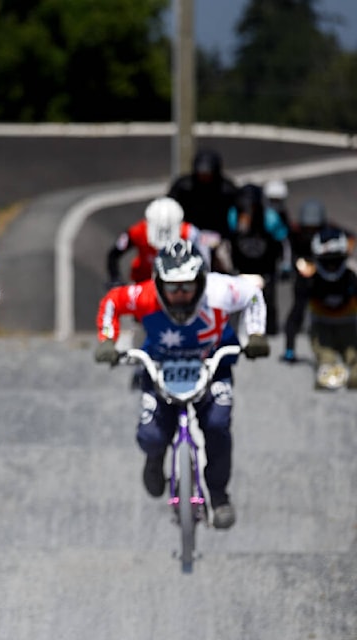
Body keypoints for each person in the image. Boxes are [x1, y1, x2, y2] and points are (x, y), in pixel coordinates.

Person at [93, 239, 270, 529]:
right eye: (172, 287)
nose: (179, 295)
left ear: (201, 281)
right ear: (158, 283)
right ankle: (155, 457)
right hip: (160, 368)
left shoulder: (219, 290)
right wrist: (107, 340)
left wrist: (256, 335)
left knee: (217, 425)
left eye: (187, 287)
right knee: (151, 435)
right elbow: (112, 301)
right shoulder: (145, 296)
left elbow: (252, 295)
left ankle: (219, 496)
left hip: (212, 367)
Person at [282, 227, 357, 388]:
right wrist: (290, 348)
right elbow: (297, 313)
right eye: (327, 262)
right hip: (322, 329)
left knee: (354, 358)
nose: (331, 267)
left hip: (350, 327)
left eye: (335, 261)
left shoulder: (351, 277)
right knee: (326, 364)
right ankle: (327, 367)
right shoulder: (309, 281)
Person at [223, 183, 291, 335]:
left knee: (267, 301)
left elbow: (283, 241)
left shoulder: (270, 218)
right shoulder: (234, 215)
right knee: (235, 301)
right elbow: (227, 242)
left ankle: (270, 332)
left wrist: (286, 263)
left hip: (265, 268)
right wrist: (228, 265)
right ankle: (231, 332)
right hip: (241, 268)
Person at [106, 196, 214, 288]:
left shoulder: (191, 234)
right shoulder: (137, 231)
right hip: (142, 284)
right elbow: (114, 253)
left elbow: (206, 263)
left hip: (176, 288)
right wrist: (115, 278)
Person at [167, 148, 239, 238]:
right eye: (201, 173)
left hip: (220, 234)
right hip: (188, 233)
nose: (204, 177)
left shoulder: (227, 190)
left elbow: (239, 213)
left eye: (208, 174)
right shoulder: (183, 187)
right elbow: (168, 207)